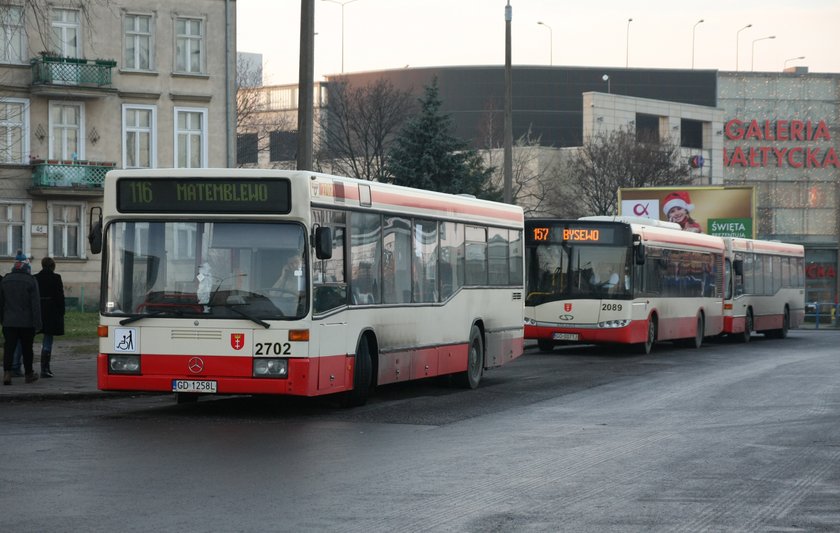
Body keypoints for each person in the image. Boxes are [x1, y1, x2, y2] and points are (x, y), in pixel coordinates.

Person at [1, 252, 42, 385]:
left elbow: (1, 302)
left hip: (9, 321)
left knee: (9, 347)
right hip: (27, 322)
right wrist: (38, 323)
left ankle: (7, 373)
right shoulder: (31, 280)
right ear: (26, 266)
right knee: (27, 348)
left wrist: (2, 319)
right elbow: (35, 304)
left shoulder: (5, 280)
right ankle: (29, 374)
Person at [34, 256, 65, 378]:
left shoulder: (35, 278)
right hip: (51, 311)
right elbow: (59, 296)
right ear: (52, 266)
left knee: (28, 339)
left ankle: (25, 367)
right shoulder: (56, 278)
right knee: (48, 339)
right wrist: (61, 312)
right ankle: (45, 368)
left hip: (38, 309)